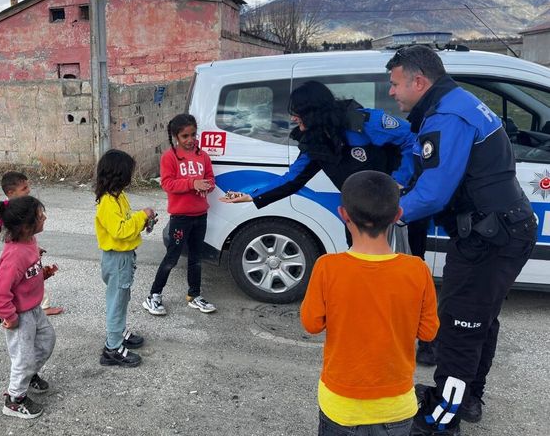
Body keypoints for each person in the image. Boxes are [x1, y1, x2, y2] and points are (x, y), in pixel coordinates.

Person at [386, 45, 537, 435]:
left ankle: (442, 419)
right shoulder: (457, 103)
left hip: (489, 237)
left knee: (460, 328)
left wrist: (387, 212)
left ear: (419, 81)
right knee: (480, 320)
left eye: (395, 83)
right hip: (503, 228)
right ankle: (467, 398)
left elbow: (434, 192)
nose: (391, 92)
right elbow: (429, 167)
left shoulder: (447, 116)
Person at [301, 170, 439, 436]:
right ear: (398, 216)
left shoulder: (327, 267)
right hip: (397, 405)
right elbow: (428, 332)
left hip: (341, 405)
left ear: (344, 214)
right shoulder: (417, 270)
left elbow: (311, 324)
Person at [219, 80, 418, 247]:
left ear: (314, 111)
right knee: (360, 265)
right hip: (355, 213)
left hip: (391, 210)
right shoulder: (316, 142)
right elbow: (292, 179)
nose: (293, 117)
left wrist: (398, 182)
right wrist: (251, 196)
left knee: (394, 266)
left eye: (298, 112)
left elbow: (412, 138)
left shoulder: (363, 123)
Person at [0, 196, 57, 419]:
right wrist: (9, 316)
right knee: (23, 358)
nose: (44, 217)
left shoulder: (29, 243)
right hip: (19, 316)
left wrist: (41, 274)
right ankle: (14, 399)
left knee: (47, 341)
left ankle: (29, 375)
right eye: (40, 216)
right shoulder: (15, 255)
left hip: (34, 309)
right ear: (26, 226)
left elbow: (24, 278)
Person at [143, 114, 217, 316]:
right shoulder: (169, 157)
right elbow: (167, 184)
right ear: (176, 136)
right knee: (172, 258)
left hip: (200, 215)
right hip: (180, 218)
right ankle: (154, 295)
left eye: (193, 134)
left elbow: (210, 178)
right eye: (185, 136)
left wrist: (206, 187)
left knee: (196, 257)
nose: (190, 139)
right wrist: (192, 184)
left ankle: (194, 295)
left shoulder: (203, 156)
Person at [94, 149, 155, 368]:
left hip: (124, 257)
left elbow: (127, 222)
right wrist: (142, 216)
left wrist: (144, 221)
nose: (131, 177)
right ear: (119, 174)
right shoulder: (107, 203)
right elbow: (121, 230)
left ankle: (118, 333)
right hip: (117, 259)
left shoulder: (118, 197)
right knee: (117, 303)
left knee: (122, 298)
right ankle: (112, 348)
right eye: (129, 172)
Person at [1, 171, 64, 316]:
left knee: (31, 278)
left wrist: (34, 248)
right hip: (21, 255)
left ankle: (37, 304)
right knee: (27, 279)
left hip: (27, 251)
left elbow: (27, 236)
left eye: (27, 187)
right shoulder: (11, 212)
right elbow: (13, 238)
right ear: (10, 192)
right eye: (24, 188)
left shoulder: (23, 207)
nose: (28, 190)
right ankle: (39, 305)